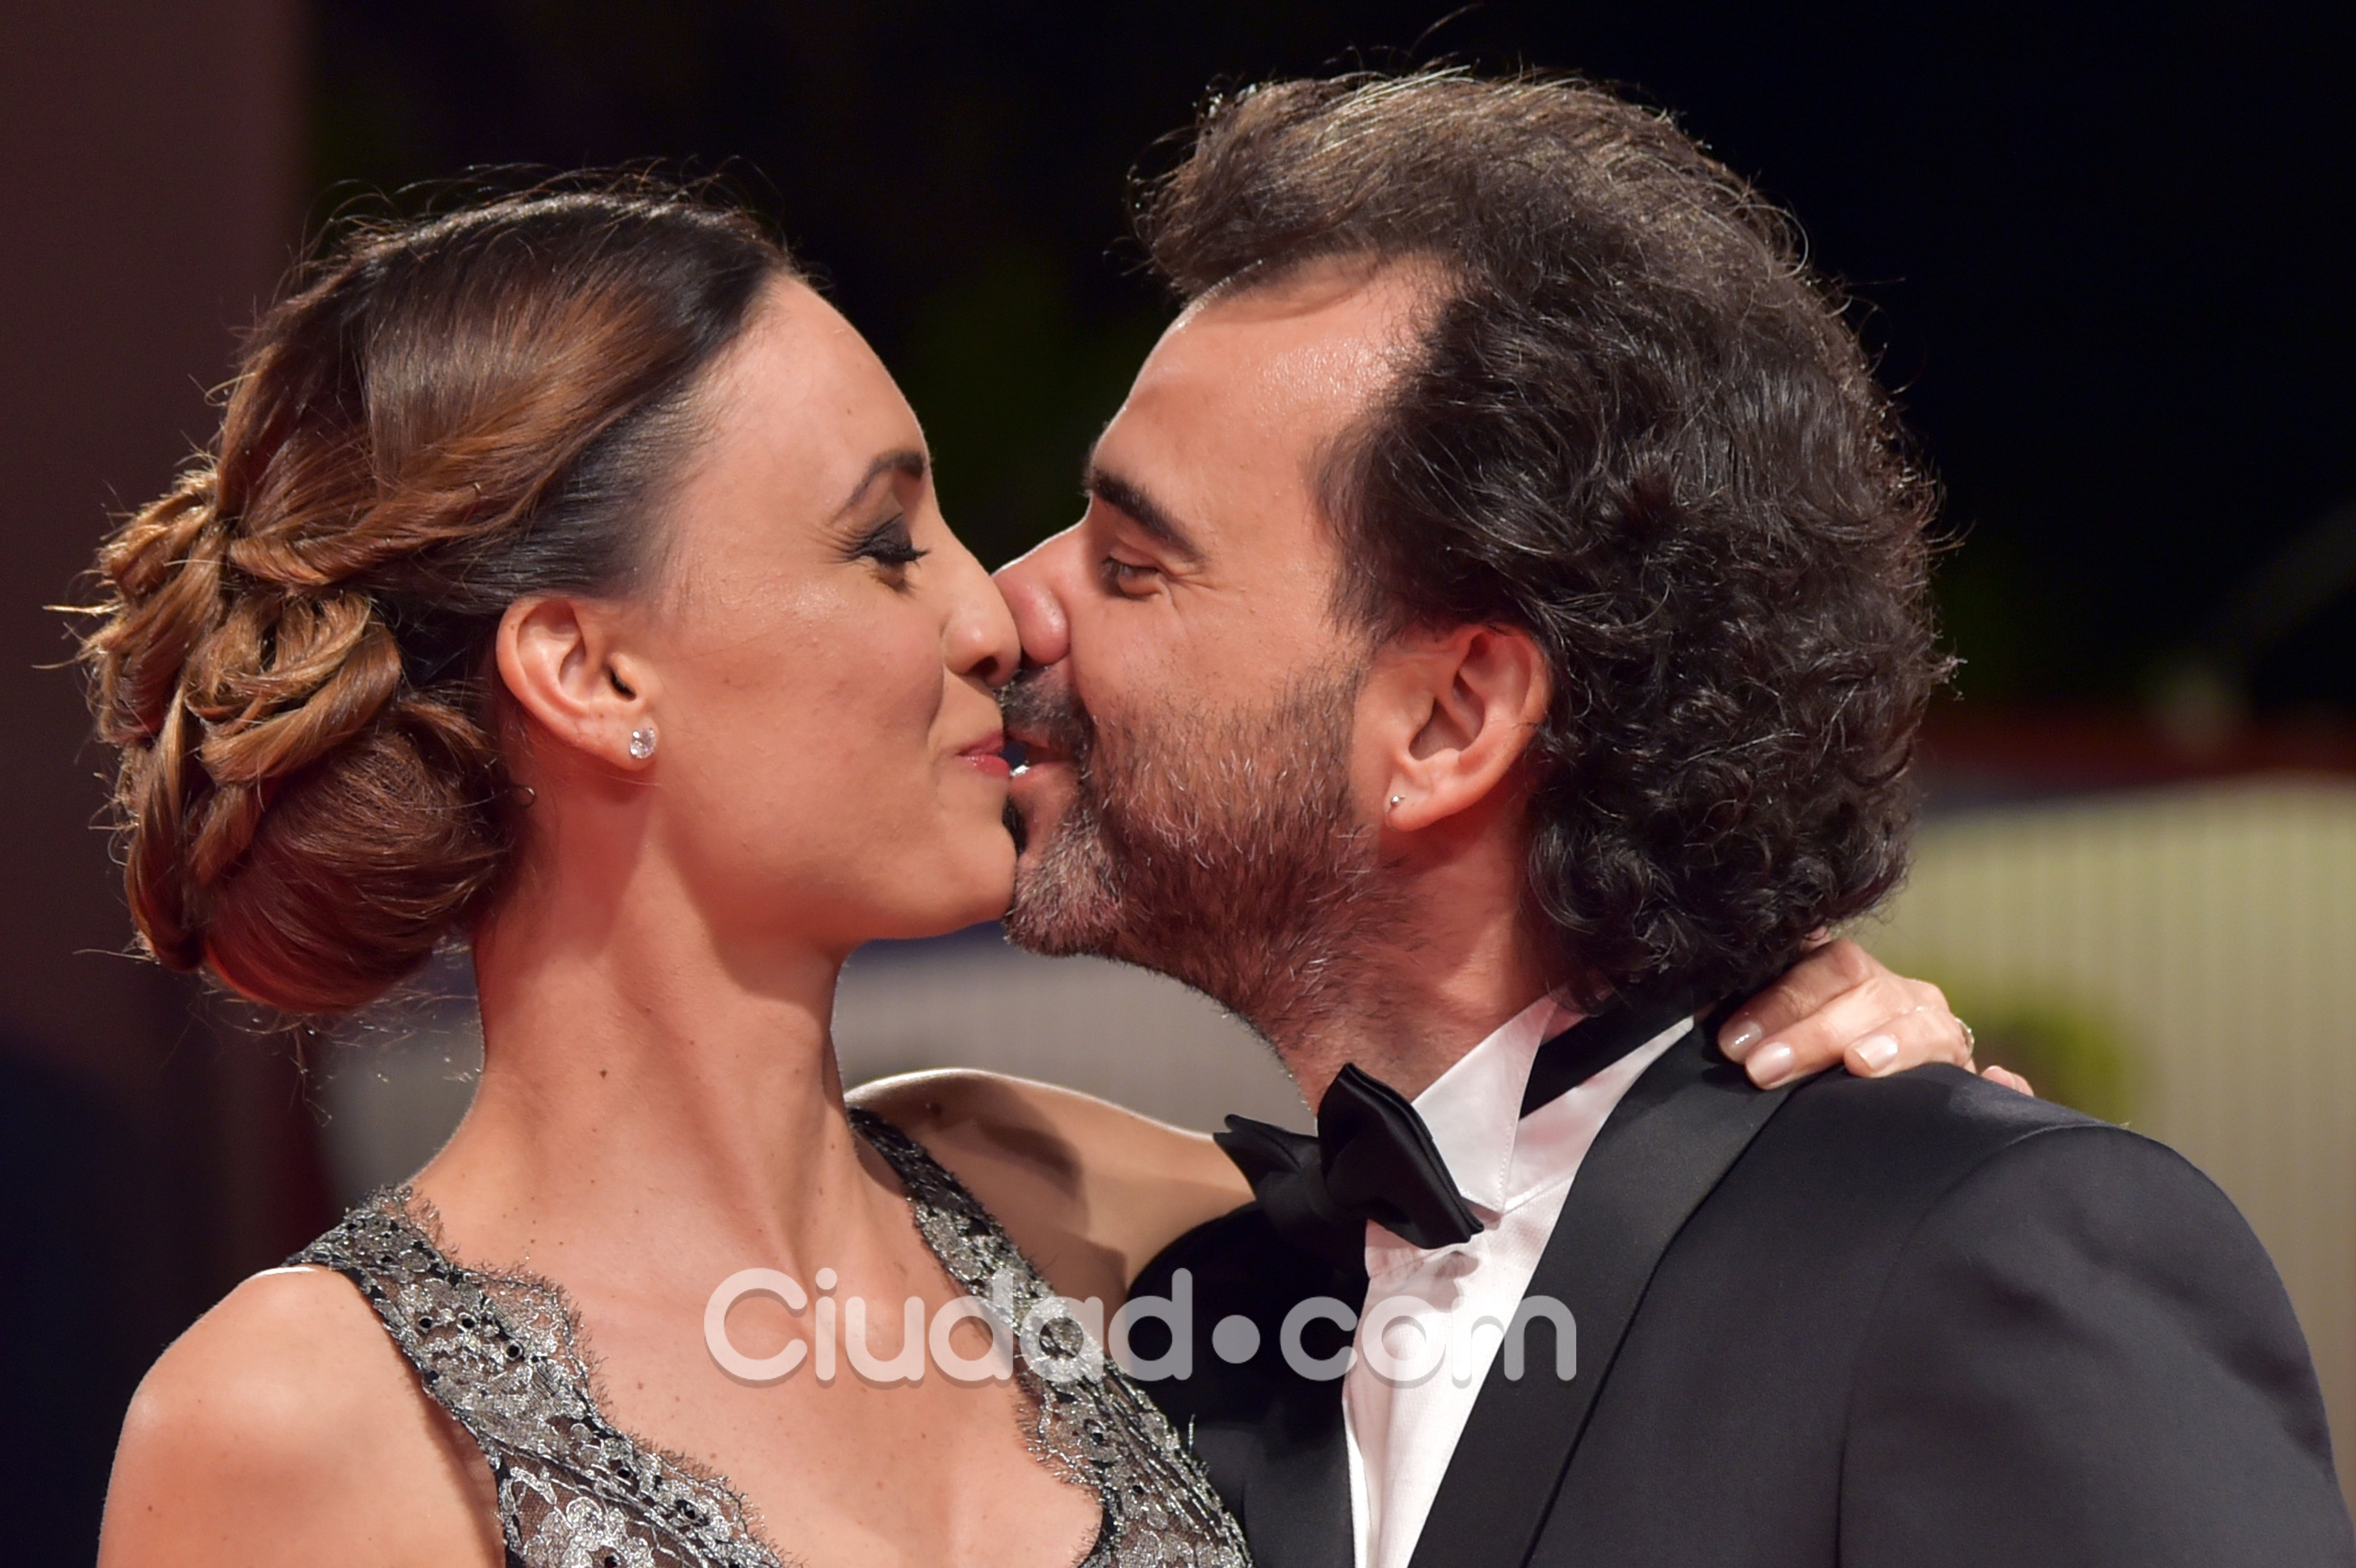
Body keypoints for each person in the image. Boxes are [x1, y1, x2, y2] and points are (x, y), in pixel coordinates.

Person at [82, 183, 1969, 1568]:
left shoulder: (1085, 1210)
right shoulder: (292, 1423)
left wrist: (1802, 1082)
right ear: (591, 671)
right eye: (878, 541)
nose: (993, 612)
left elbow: (1575, 1245)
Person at [934, 71, 2354, 1568]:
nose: (1008, 605)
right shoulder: (1197, 1331)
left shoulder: (1969, 1253)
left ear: (1451, 718)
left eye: (1134, 561)